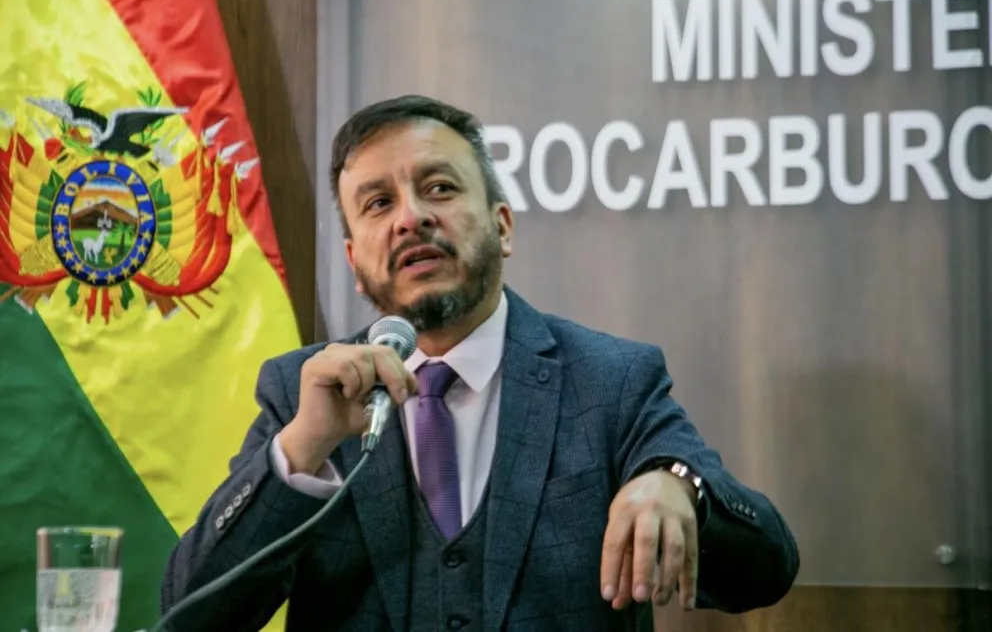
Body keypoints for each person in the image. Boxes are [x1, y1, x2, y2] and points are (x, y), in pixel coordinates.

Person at [160, 95, 799, 631]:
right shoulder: (301, 393)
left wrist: (680, 487)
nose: (411, 218)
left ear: (503, 227)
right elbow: (191, 614)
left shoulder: (611, 380)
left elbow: (766, 568)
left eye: (439, 188)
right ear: (355, 263)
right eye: (378, 203)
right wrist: (303, 448)